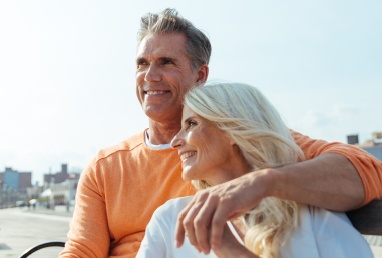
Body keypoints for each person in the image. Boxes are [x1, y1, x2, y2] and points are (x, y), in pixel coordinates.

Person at [59, 8, 382, 258]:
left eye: (166, 62)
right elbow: (82, 251)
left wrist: (260, 182)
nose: (150, 76)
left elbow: (366, 171)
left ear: (200, 75)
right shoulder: (106, 167)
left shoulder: (248, 140)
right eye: (142, 63)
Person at [137, 82, 373, 258]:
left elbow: (367, 167)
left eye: (191, 124)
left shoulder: (313, 216)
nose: (176, 141)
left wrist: (232, 251)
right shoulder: (169, 219)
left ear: (232, 130)